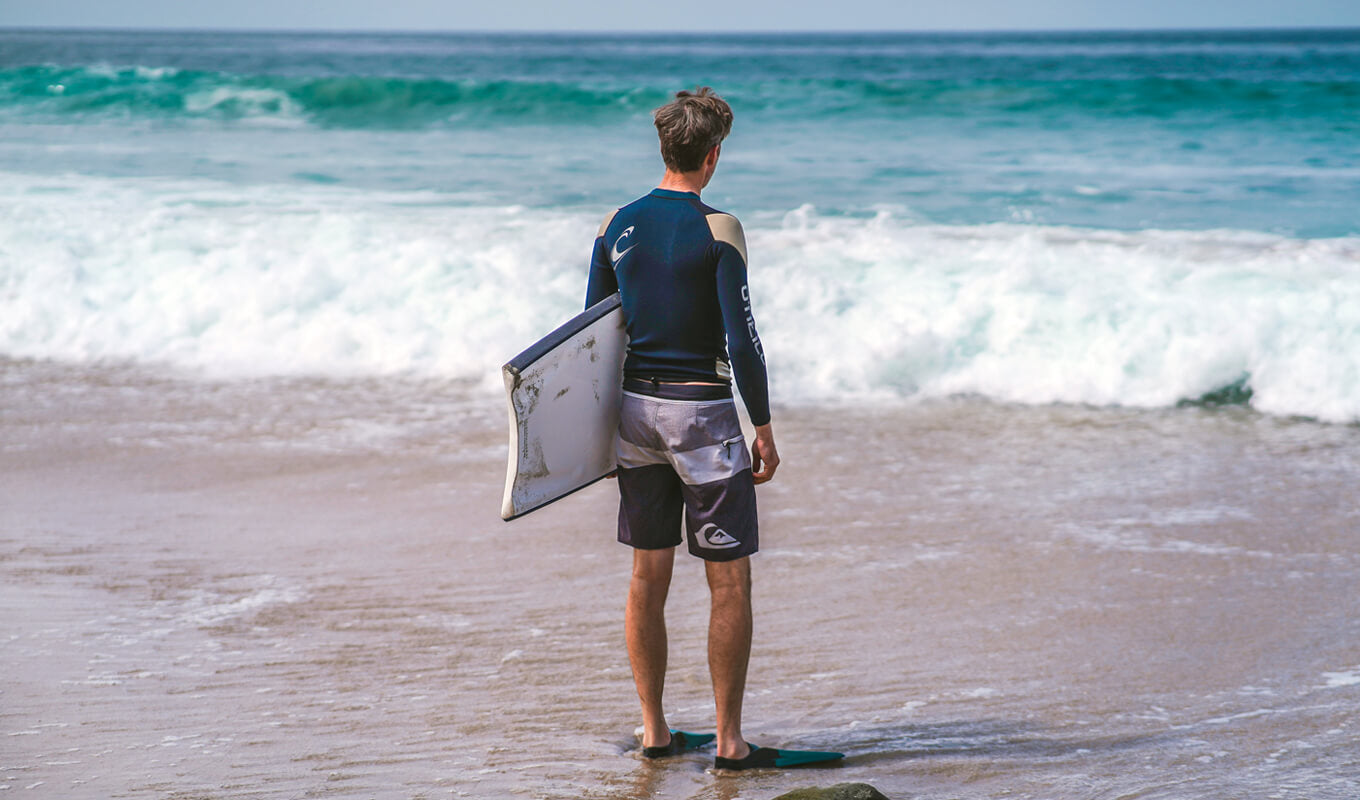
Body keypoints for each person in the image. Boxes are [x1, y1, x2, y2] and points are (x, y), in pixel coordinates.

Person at [585, 87, 842, 772]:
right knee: (727, 583)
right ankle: (730, 743)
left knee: (647, 576)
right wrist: (763, 426)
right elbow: (744, 338)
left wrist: (593, 439)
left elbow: (593, 338)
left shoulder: (616, 224)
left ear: (665, 147)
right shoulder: (720, 228)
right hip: (702, 419)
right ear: (714, 154)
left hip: (634, 416)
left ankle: (655, 731)